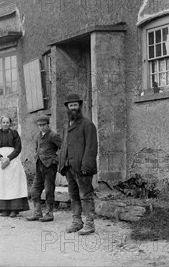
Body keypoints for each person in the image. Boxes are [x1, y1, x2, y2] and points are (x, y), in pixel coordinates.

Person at [58, 93, 98, 235]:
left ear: (79, 107)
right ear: (67, 108)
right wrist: (61, 164)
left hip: (82, 168)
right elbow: (64, 146)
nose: (73, 108)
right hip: (69, 167)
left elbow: (91, 148)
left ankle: (89, 223)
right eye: (71, 105)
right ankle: (77, 221)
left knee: (86, 195)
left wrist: (86, 166)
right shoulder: (66, 126)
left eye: (76, 105)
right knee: (73, 195)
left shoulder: (87, 125)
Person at [0, 115, 29, 217]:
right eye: (3, 122)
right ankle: (3, 208)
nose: (5, 124)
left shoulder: (14, 133)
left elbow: (18, 148)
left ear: (10, 123)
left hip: (12, 161)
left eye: (7, 122)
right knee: (1, 183)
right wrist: (0, 157)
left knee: (13, 184)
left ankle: (14, 209)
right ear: (1, 123)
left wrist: (9, 158)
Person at [27, 114, 61, 222]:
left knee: (49, 190)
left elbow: (63, 148)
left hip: (49, 166)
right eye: (39, 125)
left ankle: (49, 213)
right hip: (39, 165)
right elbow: (37, 147)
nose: (41, 127)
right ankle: (37, 212)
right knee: (34, 190)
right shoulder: (38, 135)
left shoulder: (53, 135)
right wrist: (36, 156)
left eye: (43, 125)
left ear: (48, 124)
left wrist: (55, 160)